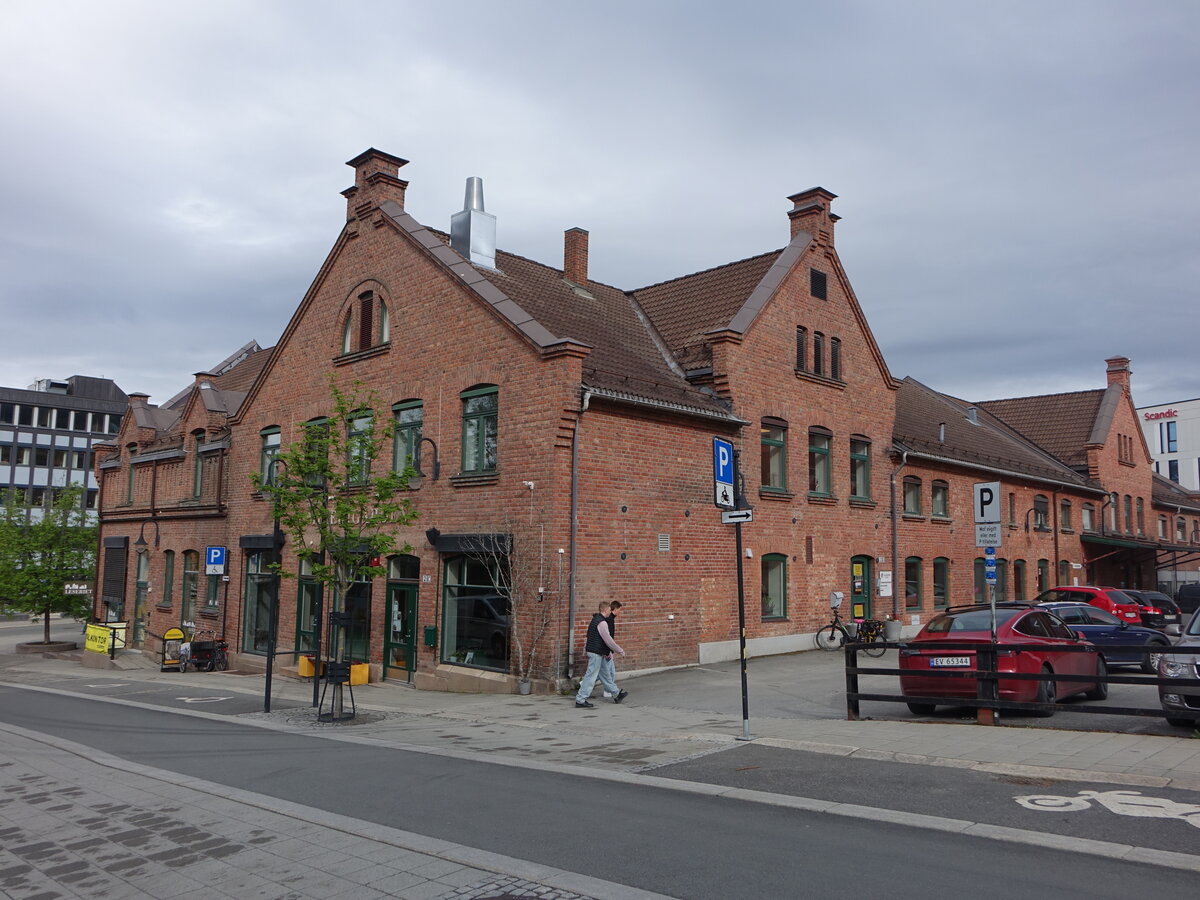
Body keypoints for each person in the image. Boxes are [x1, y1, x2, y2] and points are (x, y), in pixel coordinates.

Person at [575, 600, 627, 708]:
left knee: (606, 675)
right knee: (591, 676)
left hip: (598, 651)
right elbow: (608, 640)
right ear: (605, 610)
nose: (610, 612)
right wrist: (619, 650)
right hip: (596, 652)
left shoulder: (596, 620)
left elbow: (593, 637)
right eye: (609, 609)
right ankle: (580, 699)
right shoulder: (602, 623)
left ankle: (616, 694)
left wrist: (606, 651)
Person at [602, 600, 622, 699]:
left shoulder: (610, 619)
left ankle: (582, 683)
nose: (619, 612)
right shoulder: (609, 620)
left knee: (600, 671)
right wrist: (609, 650)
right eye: (619, 610)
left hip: (607, 649)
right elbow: (608, 637)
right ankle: (608, 690)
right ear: (615, 609)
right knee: (610, 672)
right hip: (607, 649)